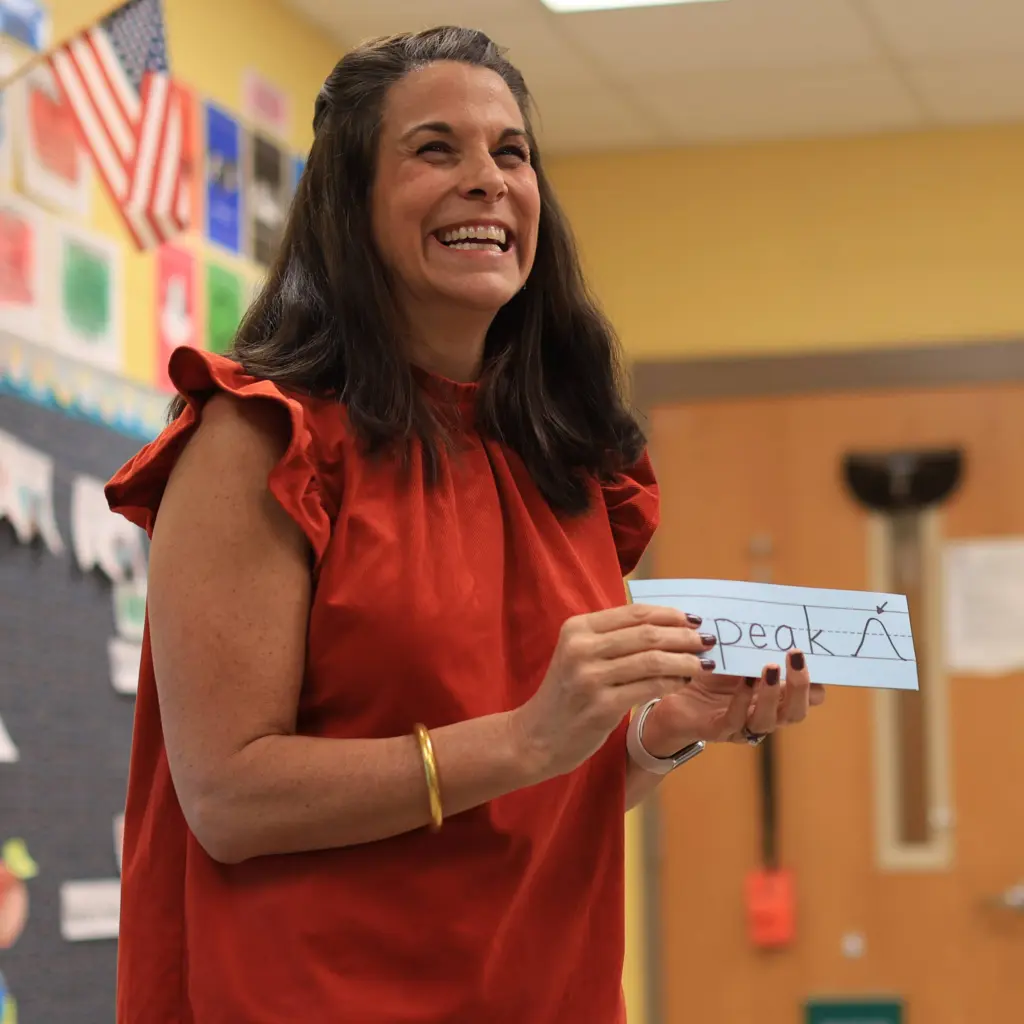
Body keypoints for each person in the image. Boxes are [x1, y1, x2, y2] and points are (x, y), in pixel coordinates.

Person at [105, 25, 825, 1024]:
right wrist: (533, 736)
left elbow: (517, 797)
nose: (487, 179)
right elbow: (229, 800)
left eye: (511, 151)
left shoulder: (563, 462)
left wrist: (657, 738)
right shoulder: (264, 439)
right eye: (436, 148)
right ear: (351, 202)